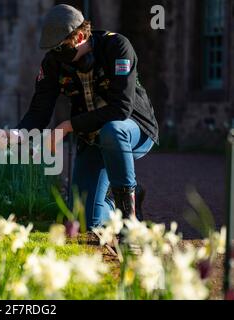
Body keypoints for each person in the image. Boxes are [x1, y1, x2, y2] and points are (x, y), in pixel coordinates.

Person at [14, 4, 159, 229]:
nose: (57, 55)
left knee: (113, 129)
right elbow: (39, 111)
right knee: (84, 221)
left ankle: (129, 220)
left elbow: (121, 109)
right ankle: (122, 201)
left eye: (61, 48)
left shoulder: (117, 47)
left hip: (133, 130)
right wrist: (17, 133)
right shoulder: (53, 63)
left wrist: (67, 126)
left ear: (80, 36)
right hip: (92, 139)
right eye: (52, 50)